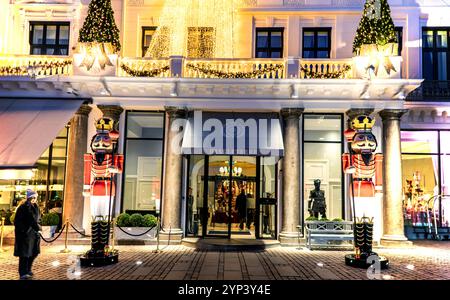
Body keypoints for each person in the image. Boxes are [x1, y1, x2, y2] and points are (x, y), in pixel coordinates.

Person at [14, 189, 41, 280]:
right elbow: (22, 221)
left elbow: (37, 220)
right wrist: (23, 230)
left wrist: (38, 228)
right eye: (33, 197)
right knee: (24, 254)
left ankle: (28, 269)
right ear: (29, 197)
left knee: (34, 253)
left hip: (34, 235)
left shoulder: (36, 206)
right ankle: (23, 273)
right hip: (25, 235)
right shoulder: (24, 207)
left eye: (36, 197)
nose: (35, 199)